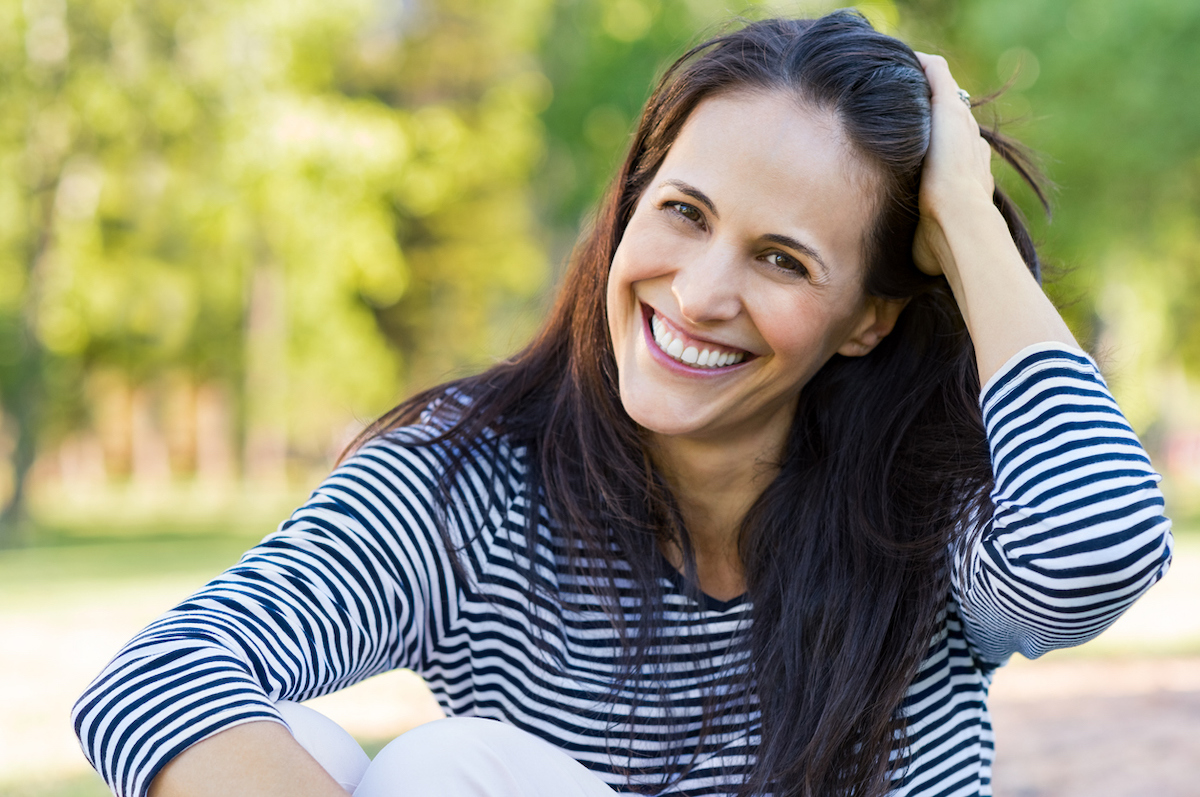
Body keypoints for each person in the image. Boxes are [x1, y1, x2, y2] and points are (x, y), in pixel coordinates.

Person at [73, 10, 1172, 797]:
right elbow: (154, 678)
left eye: (783, 260)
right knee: (385, 764)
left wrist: (969, 223)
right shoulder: (473, 477)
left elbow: (1101, 546)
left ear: (870, 316)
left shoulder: (927, 509)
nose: (698, 294)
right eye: (684, 210)